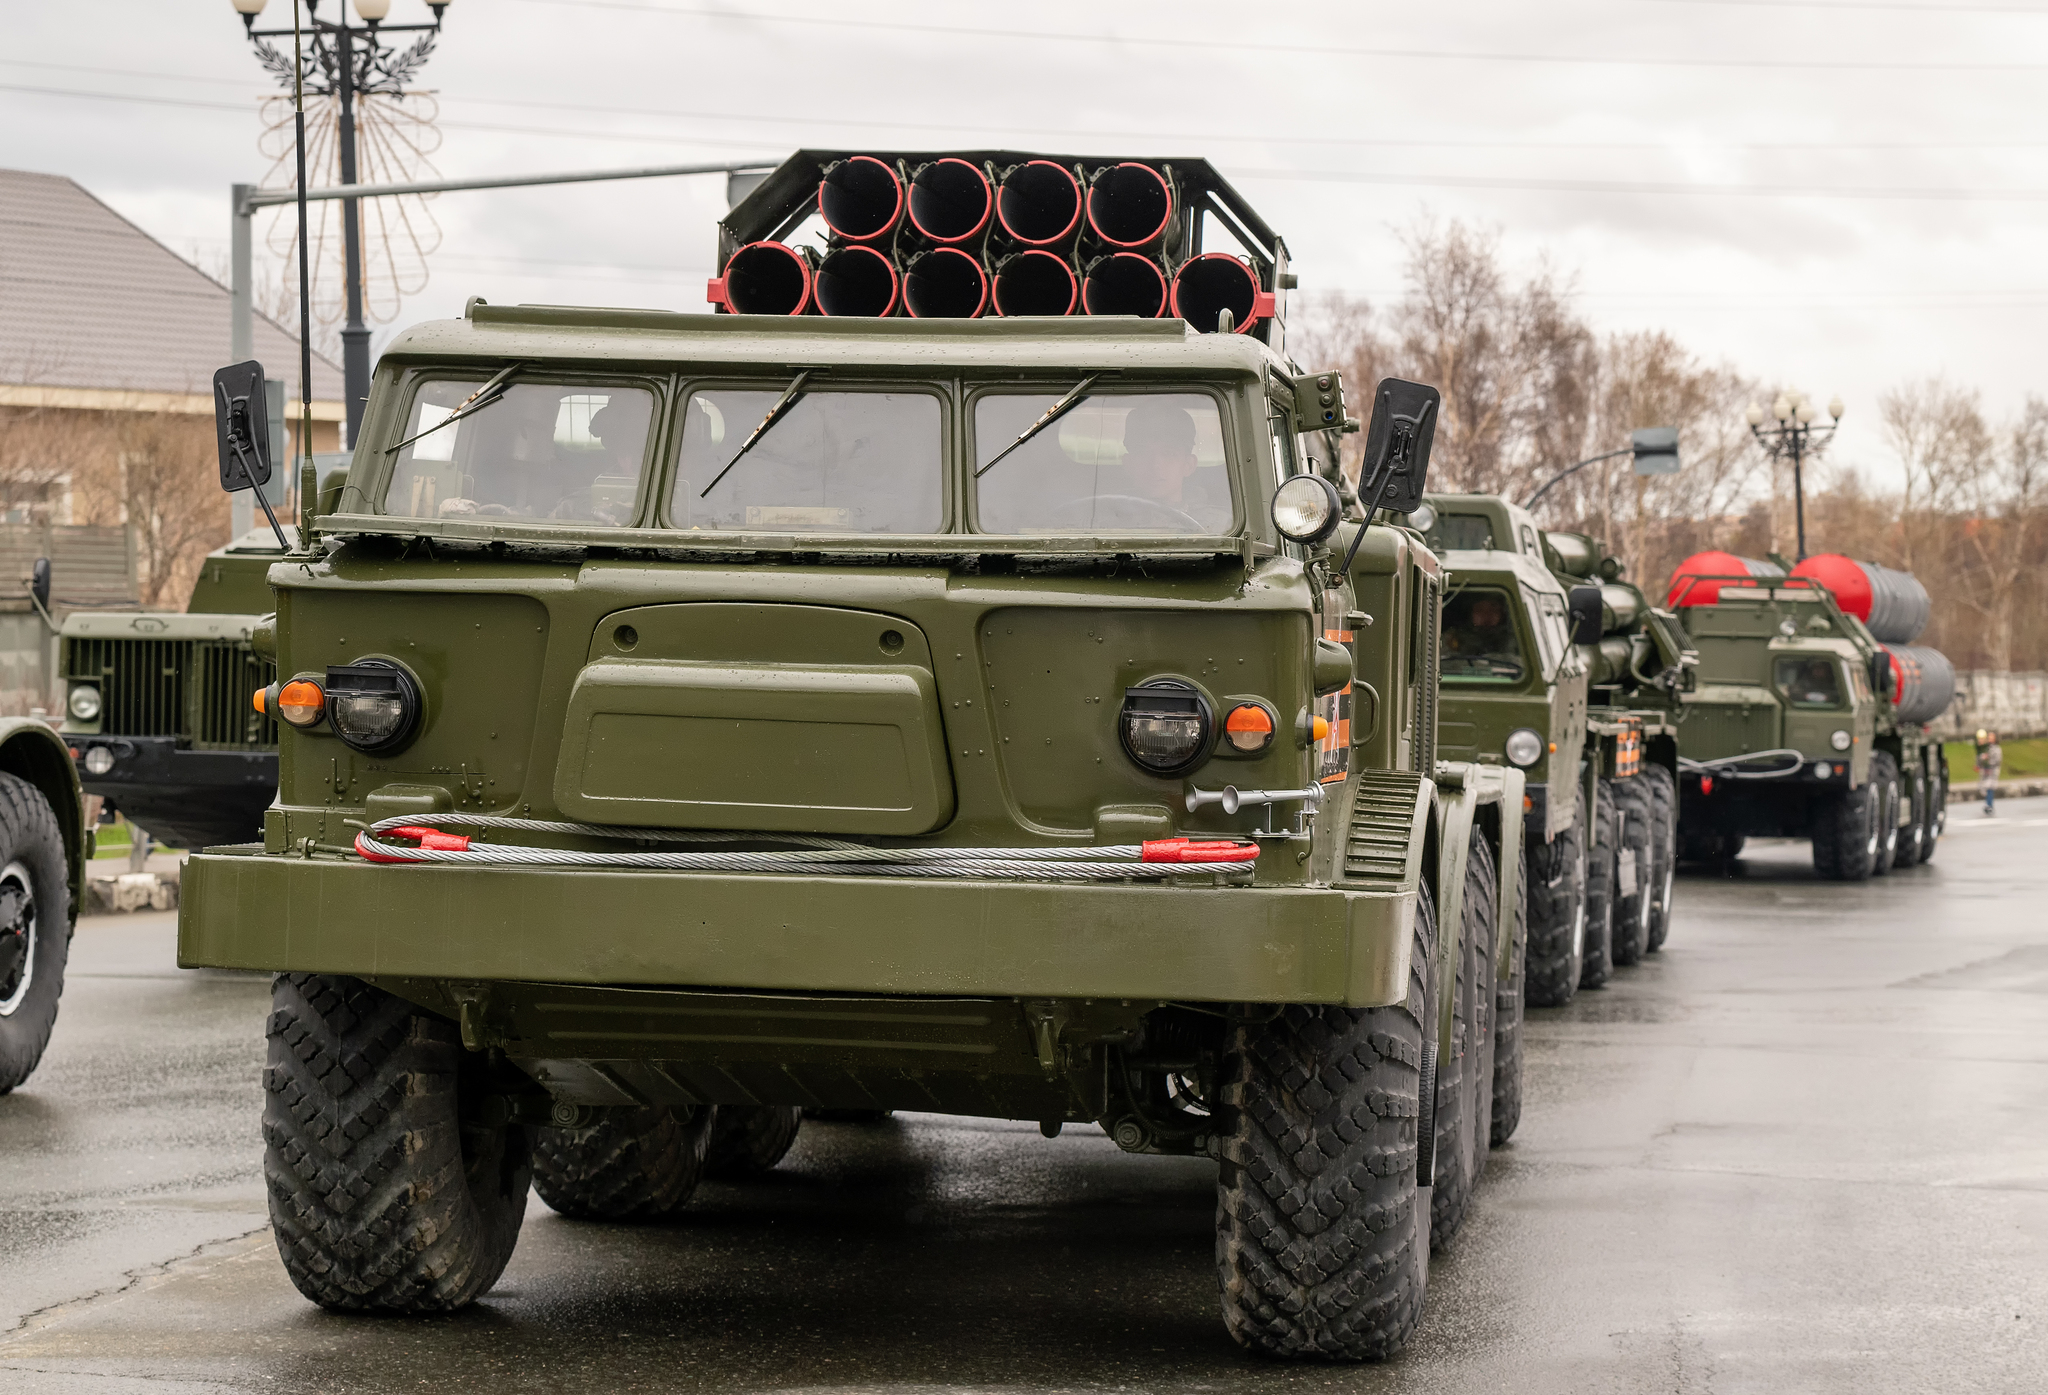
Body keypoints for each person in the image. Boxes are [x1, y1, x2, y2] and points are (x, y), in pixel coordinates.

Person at [1976, 728, 2003, 815]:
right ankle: (1988, 804)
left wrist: (1989, 760)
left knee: (1990, 788)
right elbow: (1979, 758)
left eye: (1992, 737)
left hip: (1992, 772)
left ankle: (1989, 805)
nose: (1990, 738)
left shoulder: (1997, 748)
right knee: (1985, 789)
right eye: (1989, 736)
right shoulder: (1985, 747)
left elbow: (1997, 760)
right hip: (1985, 772)